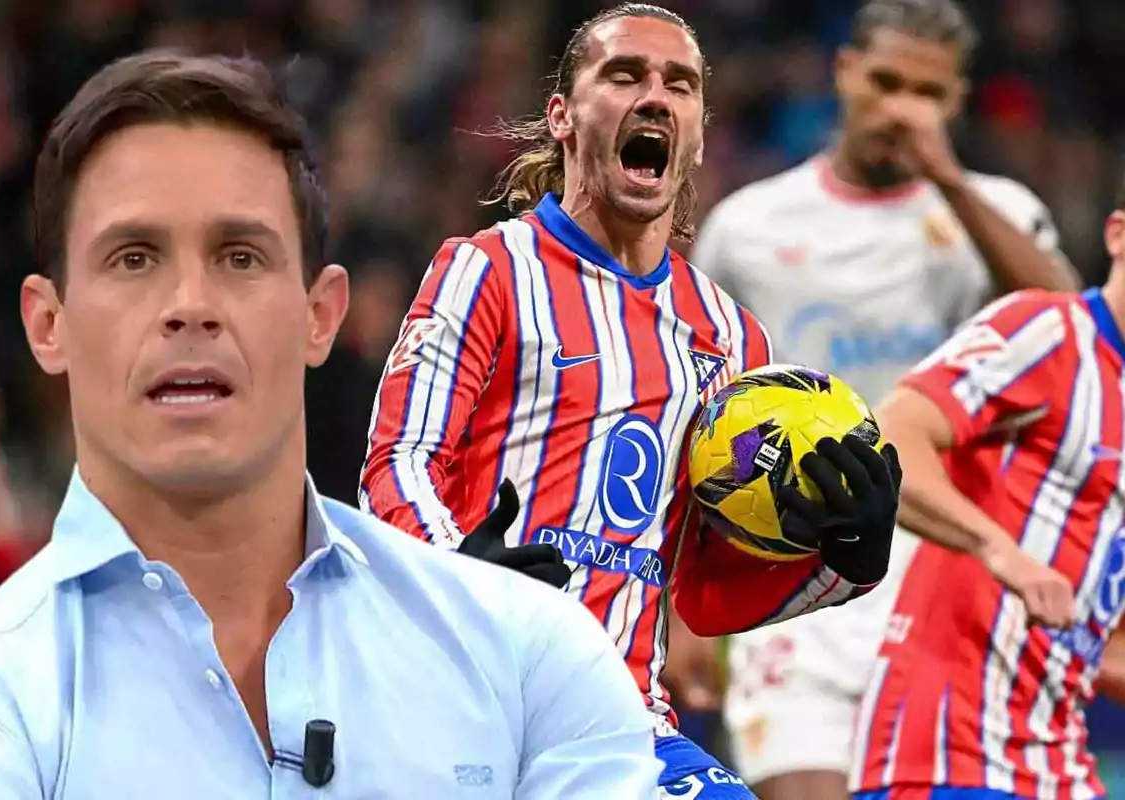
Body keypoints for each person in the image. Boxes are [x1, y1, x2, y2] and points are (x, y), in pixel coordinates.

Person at [0, 50, 667, 799]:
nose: (190, 303)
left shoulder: (528, 652)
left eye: (240, 256)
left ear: (321, 316)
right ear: (48, 324)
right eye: (134, 258)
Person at [360, 4, 902, 797]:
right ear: (564, 118)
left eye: (679, 84)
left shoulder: (732, 337)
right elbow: (396, 461)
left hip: (621, 723)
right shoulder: (488, 269)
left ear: (697, 133)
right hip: (459, 695)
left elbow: (705, 588)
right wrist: (457, 575)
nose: (656, 94)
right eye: (625, 75)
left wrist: (841, 562)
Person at [689, 1, 1080, 797]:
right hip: (799, 574)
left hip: (952, 574)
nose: (902, 109)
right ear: (844, 73)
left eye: (929, 94)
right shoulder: (748, 226)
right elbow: (697, 410)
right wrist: (677, 609)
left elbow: (1073, 331)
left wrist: (947, 181)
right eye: (886, 82)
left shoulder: (998, 213)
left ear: (959, 102)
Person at [851, 190, 1125, 798]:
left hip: (1056, 755)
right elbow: (890, 435)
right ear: (1117, 237)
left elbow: (1106, 644)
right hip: (950, 751)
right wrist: (1000, 550)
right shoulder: (1050, 331)